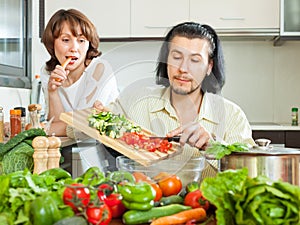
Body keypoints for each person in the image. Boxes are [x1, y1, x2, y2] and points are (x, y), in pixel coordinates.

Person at [94, 22, 255, 177]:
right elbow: (88, 125)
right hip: (148, 202)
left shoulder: (233, 115)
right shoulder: (135, 100)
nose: (183, 69)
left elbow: (250, 173)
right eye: (177, 57)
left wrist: (214, 148)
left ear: (209, 67)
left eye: (195, 60)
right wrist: (94, 116)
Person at [41, 9, 119, 137]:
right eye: (66, 40)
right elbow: (57, 126)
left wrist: (43, 129)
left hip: (107, 150)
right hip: (71, 147)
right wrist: (52, 91)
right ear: (51, 43)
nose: (74, 48)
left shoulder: (99, 69)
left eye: (81, 40)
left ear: (88, 44)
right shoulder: (47, 72)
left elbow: (82, 126)